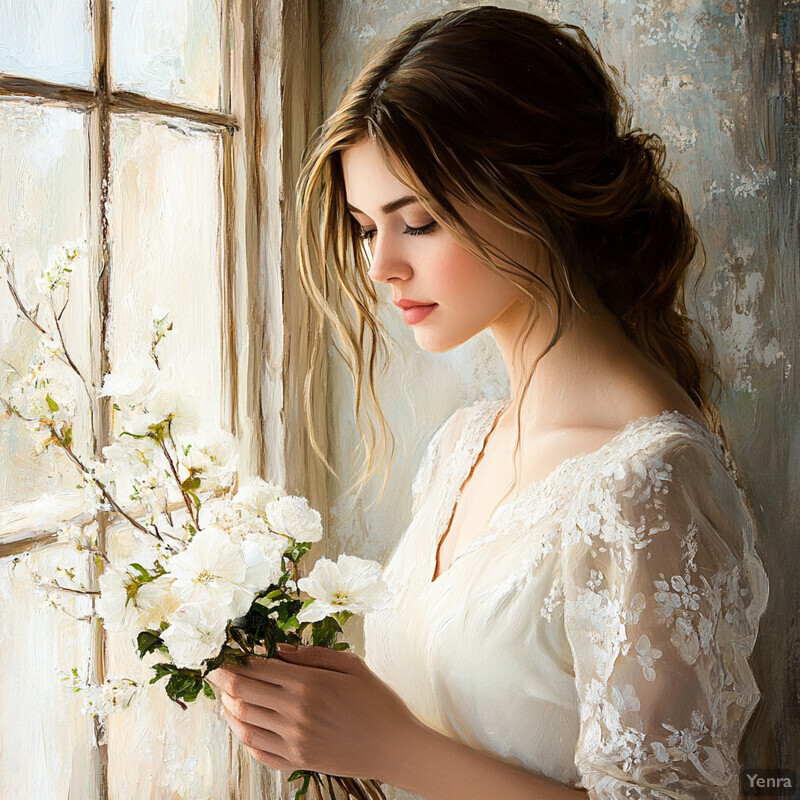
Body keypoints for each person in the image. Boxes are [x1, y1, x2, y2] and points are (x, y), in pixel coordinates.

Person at [208, 7, 769, 799]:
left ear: (531, 194)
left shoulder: (650, 482)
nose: (381, 266)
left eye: (419, 222)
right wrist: (309, 711)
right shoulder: (464, 445)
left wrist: (387, 746)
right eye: (367, 228)